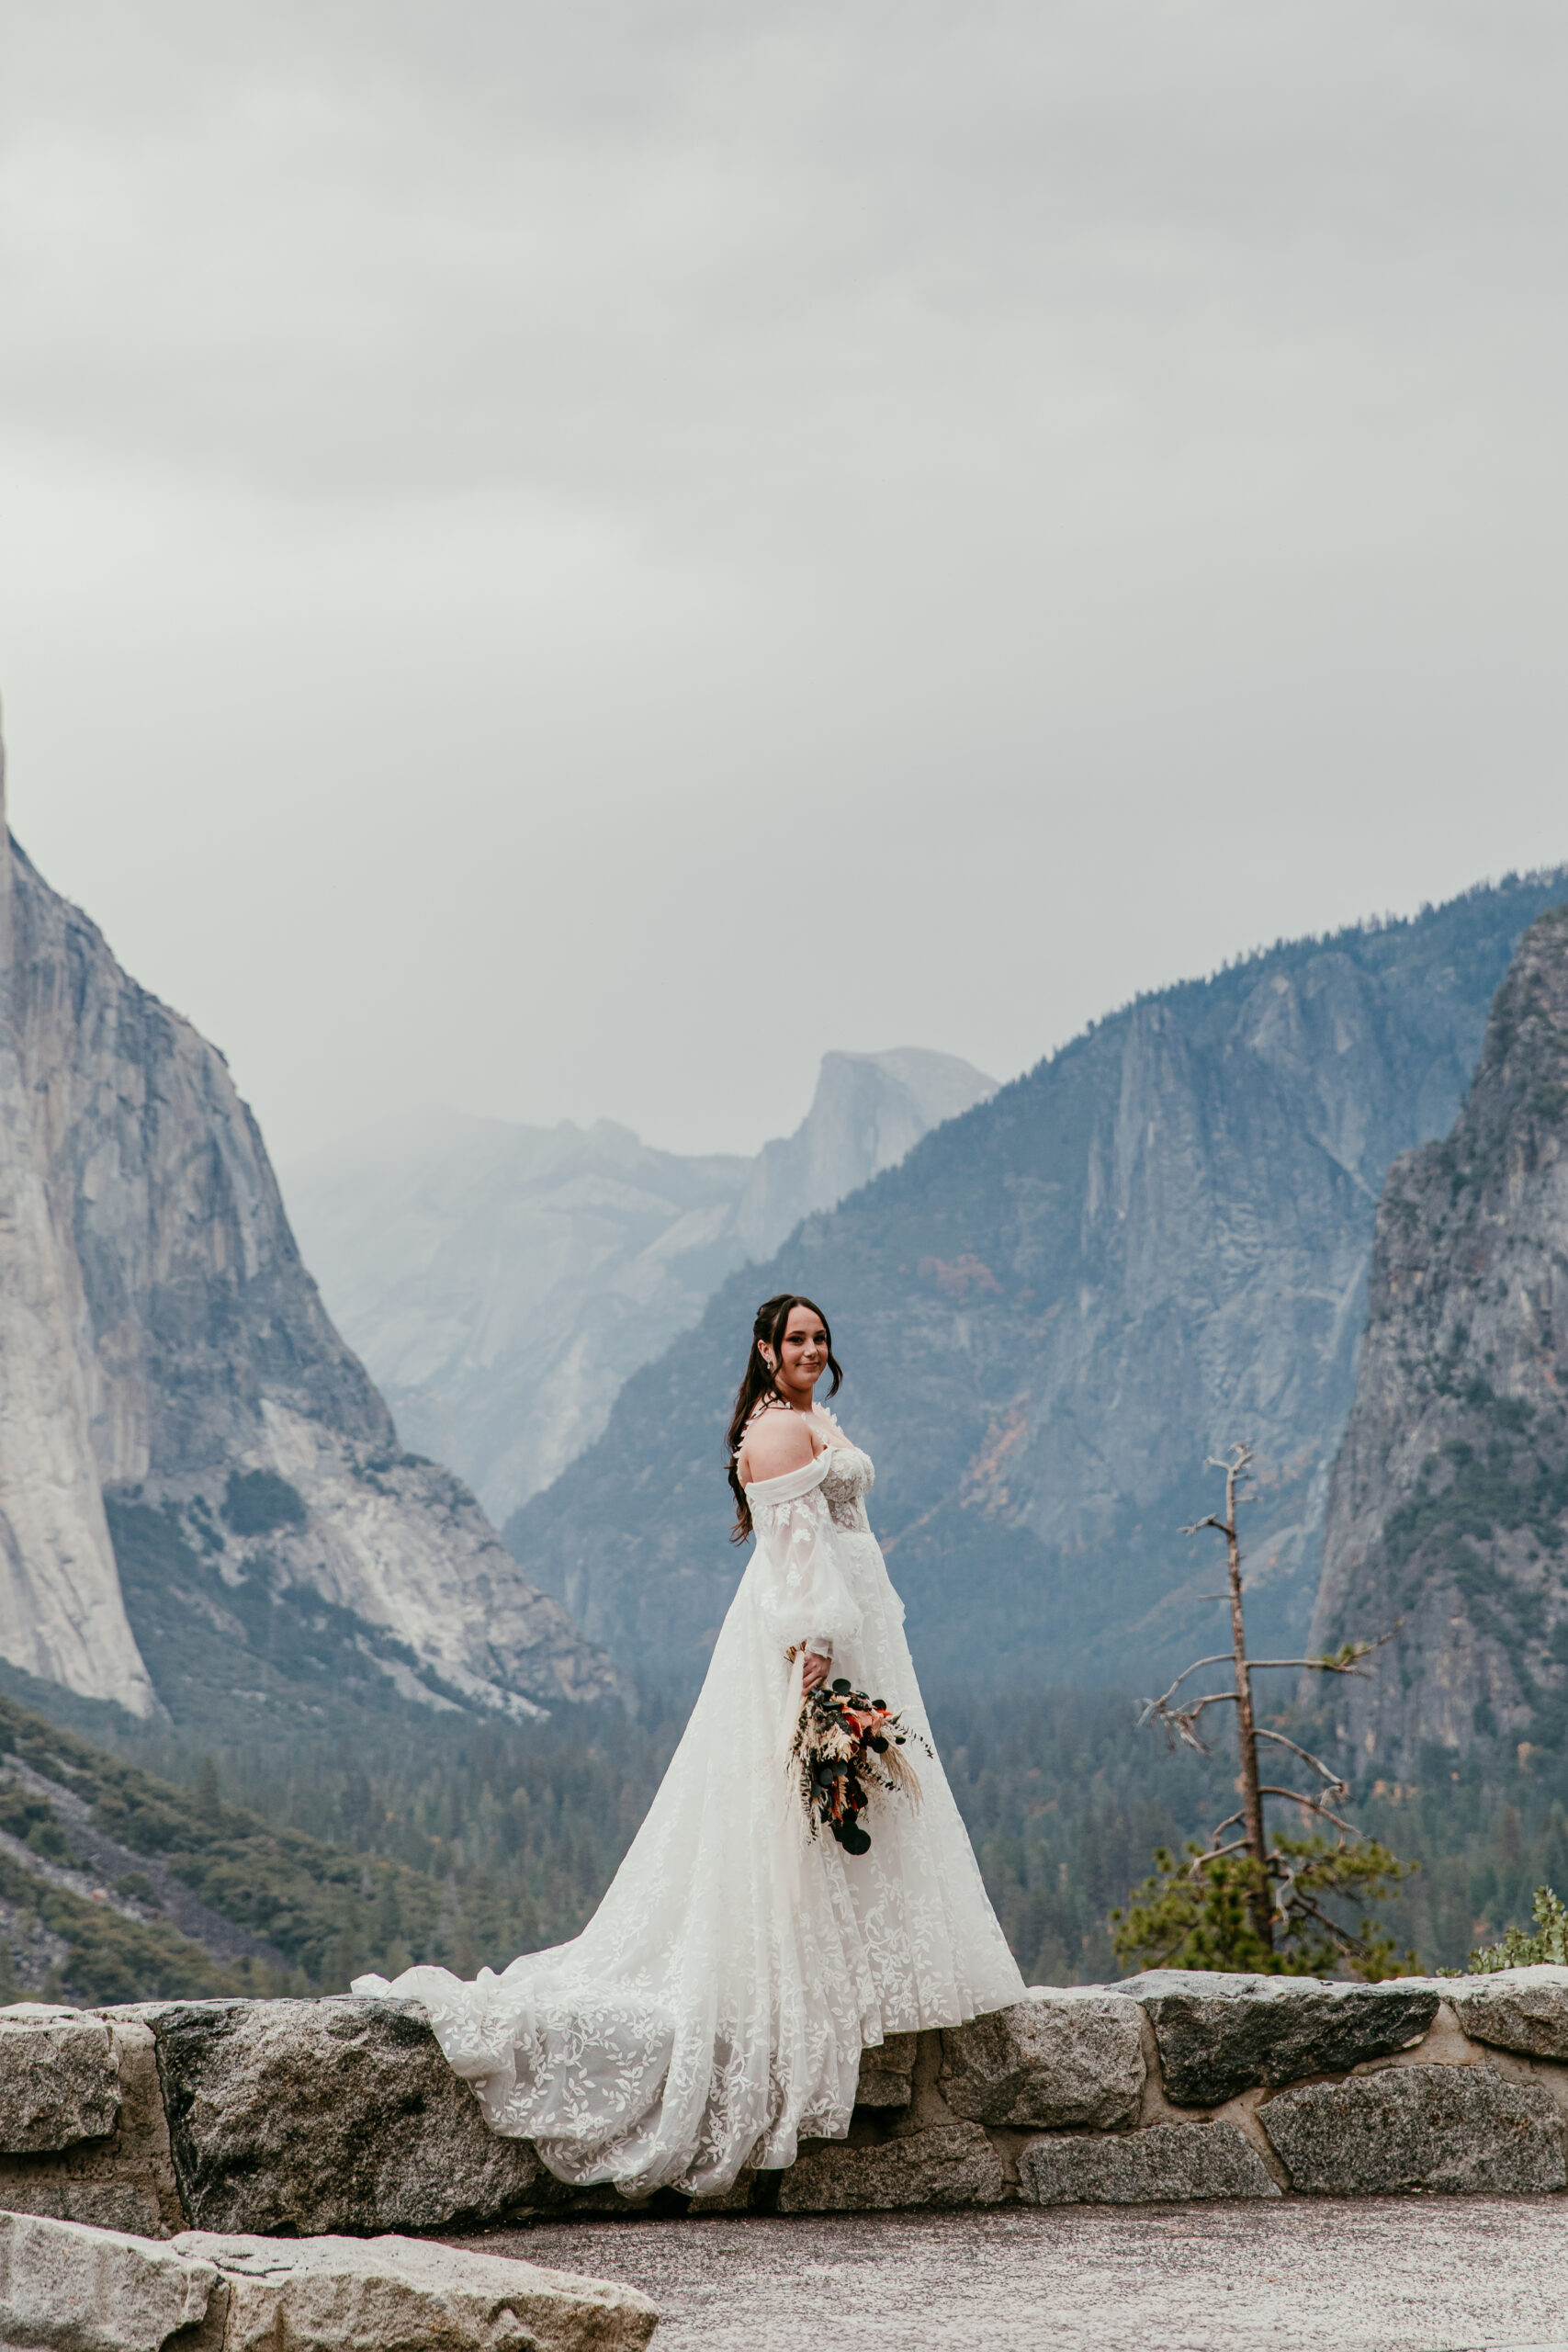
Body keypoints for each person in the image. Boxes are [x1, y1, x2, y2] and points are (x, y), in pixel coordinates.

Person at [354, 1292, 1025, 2198]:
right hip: (813, 1639)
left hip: (861, 1622)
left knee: (853, 1809)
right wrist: (815, 1678)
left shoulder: (808, 1415)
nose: (812, 1348)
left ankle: (863, 1974)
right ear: (765, 1347)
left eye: (821, 1337)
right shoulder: (778, 1434)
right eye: (796, 1337)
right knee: (803, 1805)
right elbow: (796, 1563)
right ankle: (808, 1982)